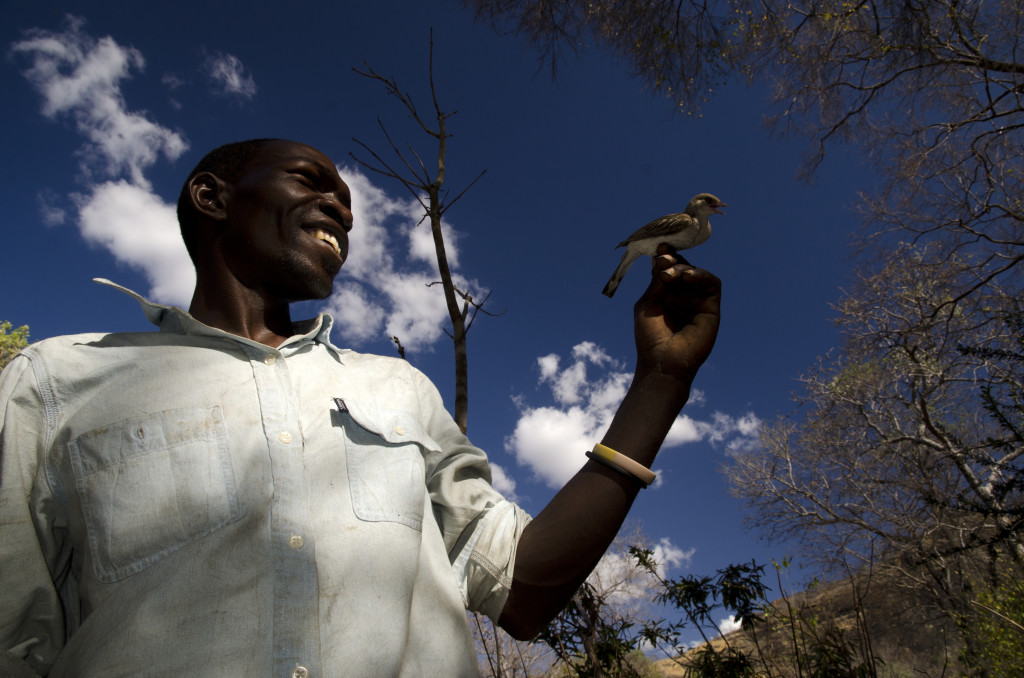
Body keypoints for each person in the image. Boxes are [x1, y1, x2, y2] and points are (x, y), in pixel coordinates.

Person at [0, 139, 721, 677]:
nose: (343, 207)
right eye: (312, 181)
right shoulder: (57, 383)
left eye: (349, 199)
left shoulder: (399, 390)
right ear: (212, 196)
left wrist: (659, 386)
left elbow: (522, 592)